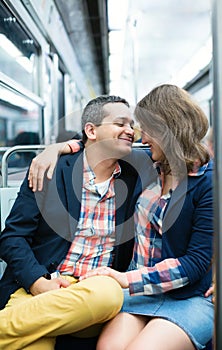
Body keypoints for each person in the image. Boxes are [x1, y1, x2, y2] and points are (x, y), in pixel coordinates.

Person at [29, 85, 214, 350]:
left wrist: (125, 278)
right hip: (143, 293)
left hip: (189, 296)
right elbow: (98, 142)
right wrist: (56, 149)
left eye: (148, 129)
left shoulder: (208, 182)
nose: (142, 137)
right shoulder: (147, 165)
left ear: (169, 129)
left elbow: (196, 262)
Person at [0, 95, 156, 350]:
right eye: (120, 123)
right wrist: (38, 282)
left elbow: (184, 151)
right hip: (42, 286)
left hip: (95, 292)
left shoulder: (137, 169)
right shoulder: (50, 169)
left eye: (131, 125)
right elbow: (12, 237)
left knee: (109, 295)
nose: (130, 131)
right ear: (91, 130)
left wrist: (61, 145)